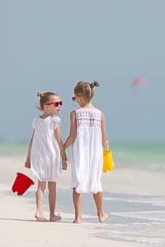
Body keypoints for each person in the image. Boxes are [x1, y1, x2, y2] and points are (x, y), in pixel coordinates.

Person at [63, 81, 110, 223]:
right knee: (96, 183)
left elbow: (72, 136)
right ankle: (101, 214)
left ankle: (78, 217)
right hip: (95, 154)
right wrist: (107, 153)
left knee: (78, 183)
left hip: (80, 153)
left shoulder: (75, 114)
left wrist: (62, 148)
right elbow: (105, 140)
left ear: (79, 97)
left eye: (75, 97)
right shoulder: (100, 114)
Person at [25, 91, 67, 222]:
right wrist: (63, 157)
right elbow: (59, 140)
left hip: (39, 156)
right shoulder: (55, 120)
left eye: (60, 103)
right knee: (52, 186)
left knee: (41, 185)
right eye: (56, 104)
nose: (59, 106)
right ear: (46, 106)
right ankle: (52, 214)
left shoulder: (36, 120)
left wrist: (28, 158)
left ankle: (39, 211)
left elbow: (32, 140)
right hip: (52, 156)